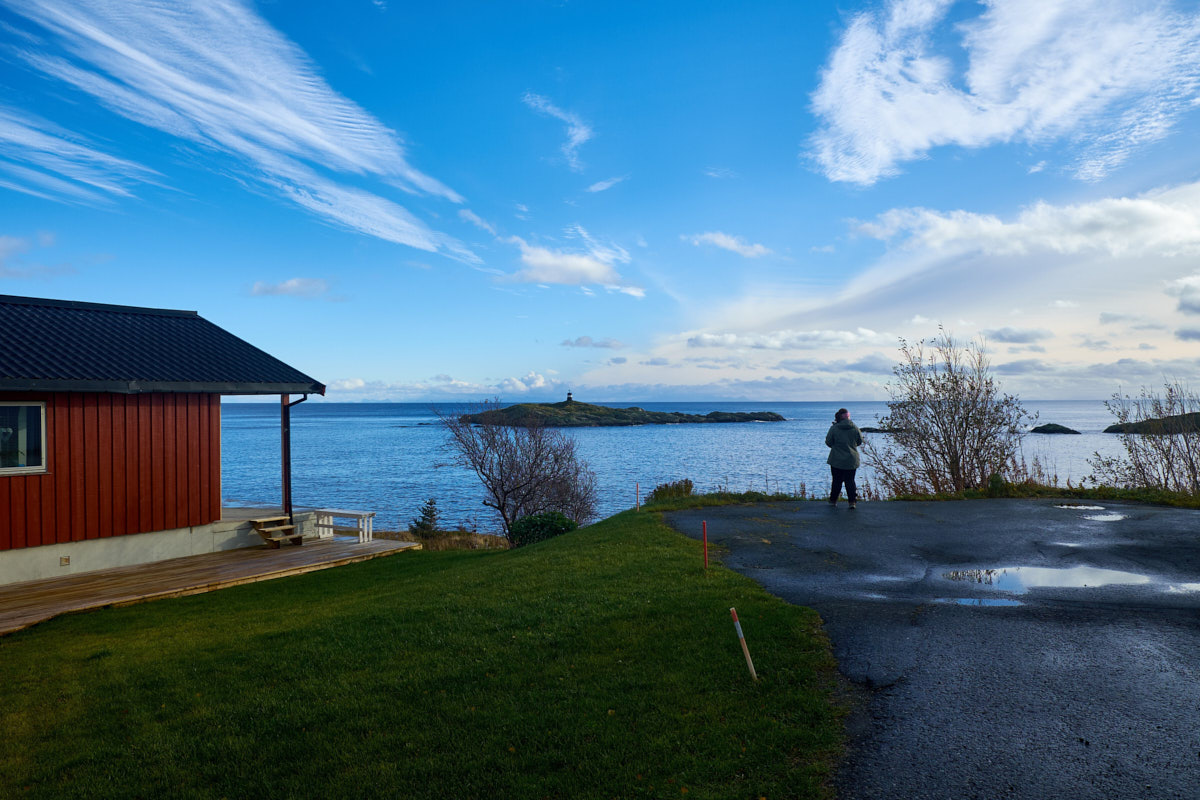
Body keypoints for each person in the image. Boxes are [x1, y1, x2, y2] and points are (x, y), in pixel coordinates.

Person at [825, 407, 863, 509]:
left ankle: (833, 500)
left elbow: (828, 442)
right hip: (851, 459)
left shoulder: (834, 428)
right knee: (850, 481)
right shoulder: (854, 427)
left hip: (836, 458)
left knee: (836, 481)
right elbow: (859, 441)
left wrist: (836, 447)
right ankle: (852, 502)